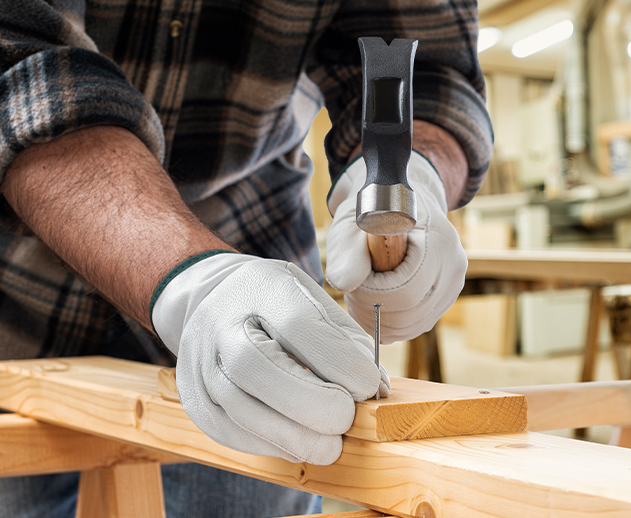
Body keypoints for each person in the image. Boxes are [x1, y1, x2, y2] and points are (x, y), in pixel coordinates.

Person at [0, 0, 492, 516]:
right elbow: (15, 63)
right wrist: (190, 279)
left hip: (254, 307)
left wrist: (418, 174)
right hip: (20, 288)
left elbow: (430, 72)